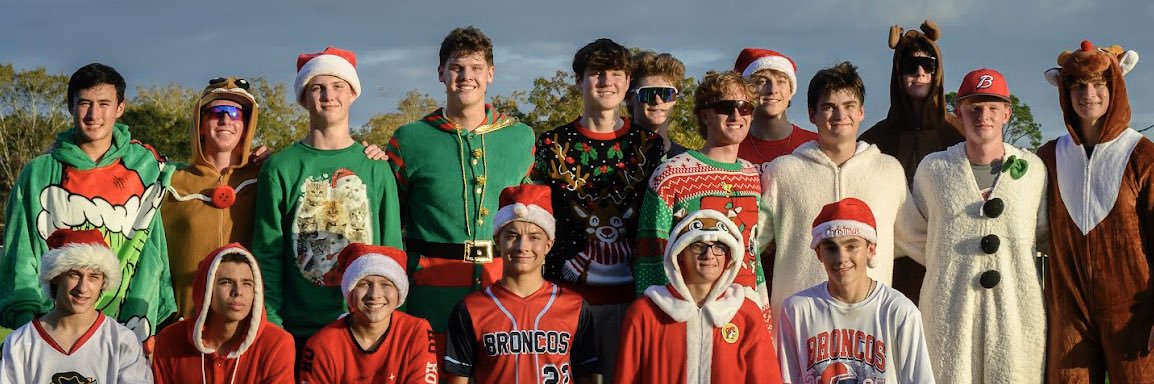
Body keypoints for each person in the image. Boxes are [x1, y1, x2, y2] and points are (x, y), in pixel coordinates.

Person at [0, 63, 175, 349]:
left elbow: (202, 177)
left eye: (104, 104)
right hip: (53, 329)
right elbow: (21, 250)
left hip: (127, 328)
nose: (94, 115)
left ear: (120, 108)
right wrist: (26, 320)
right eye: (85, 103)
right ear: (70, 106)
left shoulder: (147, 168)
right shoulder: (40, 173)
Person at [385, 26, 535, 359]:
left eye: (476, 68)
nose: (467, 76)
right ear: (441, 73)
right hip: (430, 293)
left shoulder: (521, 138)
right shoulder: (409, 139)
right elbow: (390, 222)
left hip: (503, 287)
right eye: (457, 67)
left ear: (490, 73)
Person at [899, 68, 1047, 383]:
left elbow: (1045, 233)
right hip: (950, 311)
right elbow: (913, 232)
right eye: (974, 108)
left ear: (1007, 113)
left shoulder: (1033, 171)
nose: (984, 116)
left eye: (993, 107)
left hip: (1015, 312)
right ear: (959, 111)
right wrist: (949, 264)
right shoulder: (934, 170)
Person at [251, 46, 403, 347]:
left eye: (337, 86)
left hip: (366, 328)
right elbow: (268, 253)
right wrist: (272, 324)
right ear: (304, 97)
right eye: (317, 88)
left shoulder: (375, 167)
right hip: (297, 330)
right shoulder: (280, 167)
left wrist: (393, 322)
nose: (328, 95)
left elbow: (392, 251)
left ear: (353, 94)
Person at [531, 38, 662, 380]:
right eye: (596, 73)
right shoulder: (550, 146)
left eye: (616, 73)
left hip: (633, 299)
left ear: (628, 82)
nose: (607, 82)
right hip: (567, 298)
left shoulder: (649, 147)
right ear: (579, 81)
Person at [1039, 40, 1154, 383]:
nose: (1088, 94)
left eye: (1098, 84)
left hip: (1135, 315)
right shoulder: (1048, 158)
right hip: (1068, 315)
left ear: (1115, 87)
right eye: (1077, 85)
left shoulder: (1143, 155)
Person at [758, 62, 911, 314]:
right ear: (812, 114)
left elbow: (919, 241)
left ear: (861, 112)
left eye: (849, 106)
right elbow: (751, 245)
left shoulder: (889, 170)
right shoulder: (783, 172)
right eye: (829, 107)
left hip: (871, 322)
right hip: (800, 322)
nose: (840, 115)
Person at [635, 71, 771, 328]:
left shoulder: (751, 175)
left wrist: (762, 314)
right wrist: (655, 320)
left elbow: (752, 256)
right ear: (705, 115)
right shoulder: (671, 174)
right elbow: (651, 254)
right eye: (725, 107)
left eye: (744, 107)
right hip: (688, 317)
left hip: (744, 316)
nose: (736, 115)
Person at [444, 184, 599, 384]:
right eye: (512, 236)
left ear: (548, 244)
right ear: (497, 241)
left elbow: (587, 375)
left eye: (534, 237)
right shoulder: (471, 309)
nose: (522, 246)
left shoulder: (574, 306)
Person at [857, 21, 964, 304]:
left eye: (928, 65)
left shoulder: (960, 134)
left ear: (937, 71)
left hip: (947, 265)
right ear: (897, 72)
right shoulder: (873, 141)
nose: (919, 73)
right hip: (890, 270)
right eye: (909, 66)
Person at [777, 198, 934, 383]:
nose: (841, 257)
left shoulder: (900, 312)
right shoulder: (796, 310)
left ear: (871, 250)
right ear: (819, 253)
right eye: (831, 248)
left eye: (851, 246)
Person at [616, 210, 783, 383]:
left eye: (719, 246)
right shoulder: (645, 313)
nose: (709, 255)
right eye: (698, 245)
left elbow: (766, 379)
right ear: (680, 253)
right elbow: (626, 378)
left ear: (730, 256)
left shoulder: (746, 314)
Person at [162, 77, 264, 321]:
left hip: (248, 324)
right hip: (184, 324)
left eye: (235, 113)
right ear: (200, 123)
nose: (226, 119)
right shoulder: (170, 181)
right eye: (216, 112)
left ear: (246, 125)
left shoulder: (266, 177)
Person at [0, 229, 151, 383]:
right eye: (74, 275)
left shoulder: (123, 342)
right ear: (55, 276)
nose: (83, 288)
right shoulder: (19, 344)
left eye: (94, 277)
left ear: (103, 282)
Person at [151, 244, 295, 383]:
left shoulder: (277, 344)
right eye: (226, 282)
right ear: (206, 289)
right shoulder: (170, 340)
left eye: (247, 283)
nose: (238, 292)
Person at [299, 243, 438, 383]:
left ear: (399, 292)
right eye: (364, 284)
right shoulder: (321, 344)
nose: (374, 294)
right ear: (350, 290)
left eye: (386, 284)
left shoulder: (416, 331)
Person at [733, 48, 818, 169]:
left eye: (781, 81)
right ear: (747, 91)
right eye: (762, 81)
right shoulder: (731, 147)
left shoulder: (815, 146)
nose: (773, 90)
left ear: (790, 91)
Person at [627, 49, 689, 158]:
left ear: (675, 99)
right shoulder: (613, 157)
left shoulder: (689, 161)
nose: (658, 101)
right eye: (648, 93)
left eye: (666, 93)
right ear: (629, 98)